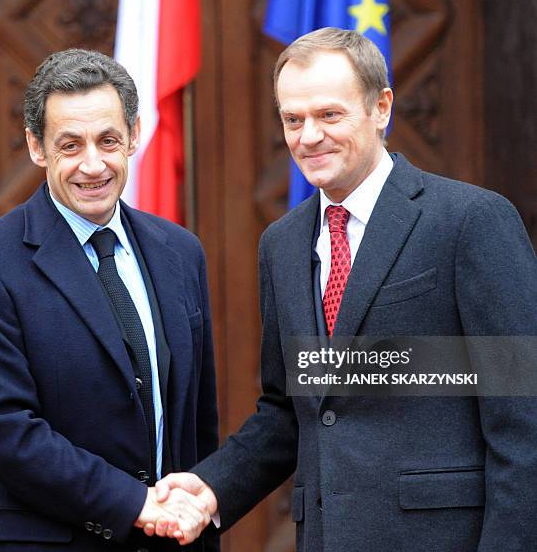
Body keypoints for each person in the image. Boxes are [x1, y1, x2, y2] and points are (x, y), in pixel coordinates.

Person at [151, 27, 537, 550]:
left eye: (329, 115)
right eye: (293, 119)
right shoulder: (282, 245)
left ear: (381, 107)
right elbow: (292, 408)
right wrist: (212, 488)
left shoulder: (471, 221)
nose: (308, 137)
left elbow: (523, 418)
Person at [0, 48, 218, 551]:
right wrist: (134, 502)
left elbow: (196, 422)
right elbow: (1, 430)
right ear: (36, 146)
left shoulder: (180, 252)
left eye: (108, 140)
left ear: (134, 135)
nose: (93, 165)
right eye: (70, 145)